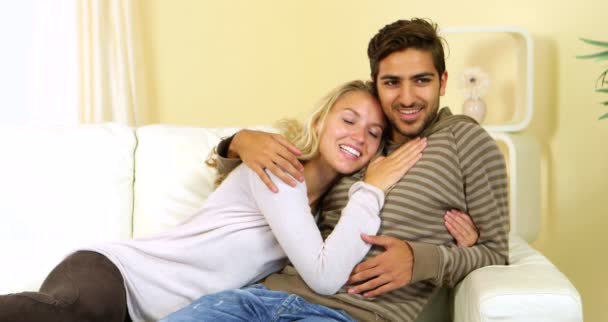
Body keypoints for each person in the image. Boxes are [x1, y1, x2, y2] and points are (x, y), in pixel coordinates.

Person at [0, 80, 465, 322]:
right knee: (70, 318)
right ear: (321, 122)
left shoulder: (324, 212)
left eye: (373, 132)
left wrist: (461, 243)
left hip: (150, 315)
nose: (358, 136)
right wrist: (372, 188)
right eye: (348, 119)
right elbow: (325, 276)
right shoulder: (278, 166)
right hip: (117, 277)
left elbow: (351, 253)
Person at [162, 18, 509, 322]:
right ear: (376, 83)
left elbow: (495, 253)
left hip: (351, 314)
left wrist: (424, 259)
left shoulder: (466, 140)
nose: (406, 98)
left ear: (443, 82)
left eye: (421, 80)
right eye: (391, 83)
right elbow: (284, 185)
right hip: (258, 298)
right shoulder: (355, 145)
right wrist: (236, 142)